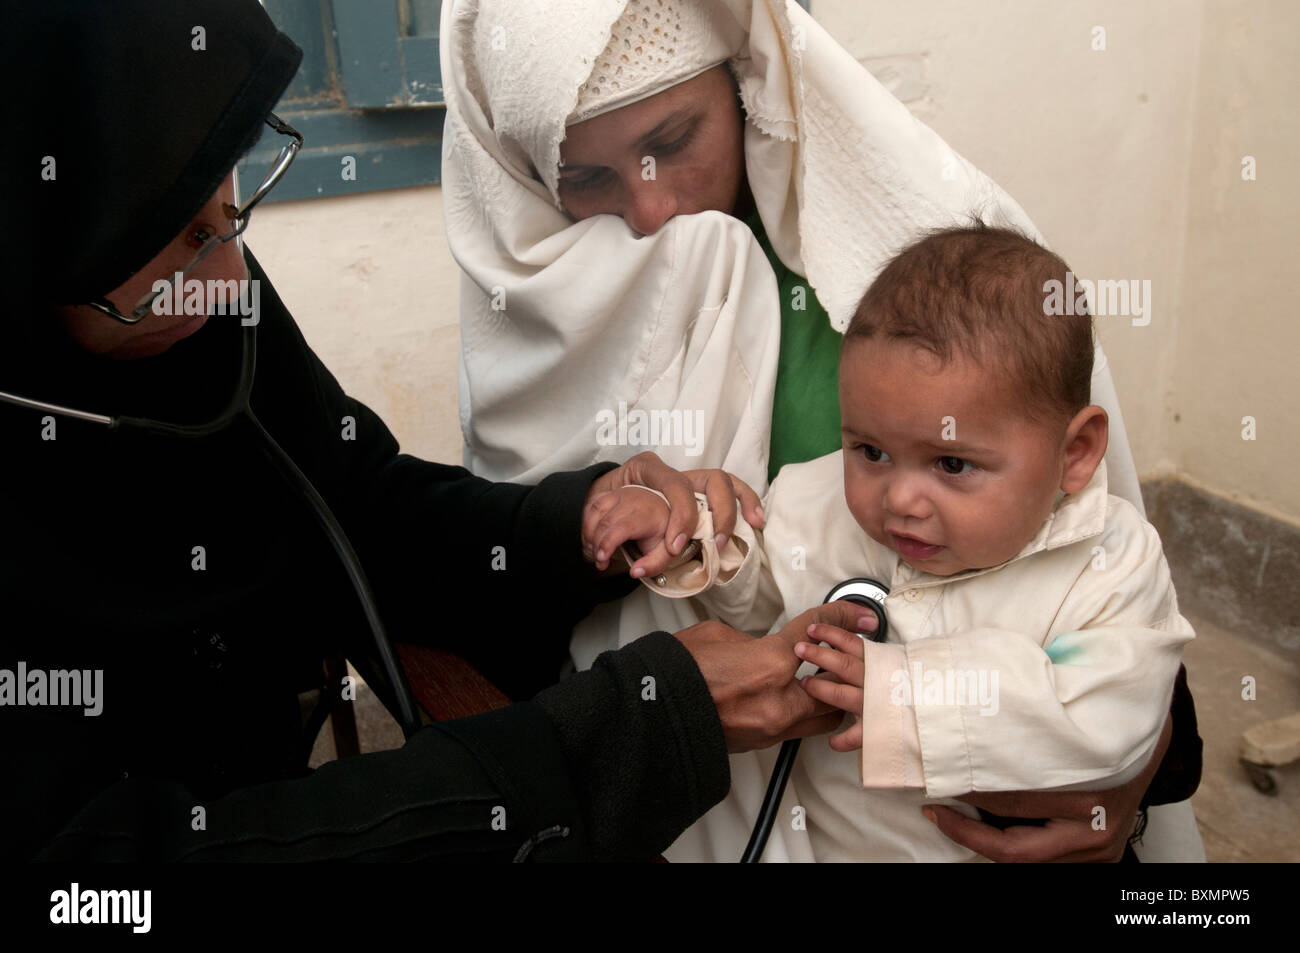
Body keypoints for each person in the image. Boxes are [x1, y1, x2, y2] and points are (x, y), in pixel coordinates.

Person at [1, 0, 865, 863]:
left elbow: (363, 507)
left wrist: (573, 522)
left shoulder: (199, 302)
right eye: (172, 241)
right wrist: (635, 724)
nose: (227, 279)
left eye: (227, 199)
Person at [440, 0, 1204, 860]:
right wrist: (696, 537)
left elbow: (1106, 626)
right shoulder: (541, 320)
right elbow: (755, 565)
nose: (651, 210)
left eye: (678, 138)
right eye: (586, 178)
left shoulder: (923, 276)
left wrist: (1130, 780)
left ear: (751, 81)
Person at [594, 225, 1200, 860]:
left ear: (1074, 454)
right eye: (871, 450)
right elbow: (762, 596)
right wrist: (691, 536)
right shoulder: (820, 498)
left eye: (952, 464)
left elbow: (1107, 726)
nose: (899, 500)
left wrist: (907, 695)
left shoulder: (1109, 565)